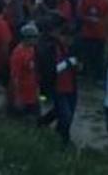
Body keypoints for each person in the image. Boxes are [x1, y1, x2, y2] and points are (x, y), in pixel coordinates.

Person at [37, 16, 79, 145]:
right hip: (58, 87)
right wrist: (67, 64)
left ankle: (44, 124)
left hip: (71, 86)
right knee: (65, 116)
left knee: (66, 114)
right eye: (67, 37)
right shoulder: (51, 48)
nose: (70, 40)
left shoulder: (71, 48)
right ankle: (63, 141)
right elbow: (49, 69)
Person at [78, 0, 108, 84]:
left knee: (99, 56)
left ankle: (98, 77)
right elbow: (80, 14)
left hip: (100, 33)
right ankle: (86, 75)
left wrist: (103, 23)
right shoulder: (85, 0)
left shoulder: (105, 1)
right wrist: (88, 19)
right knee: (87, 55)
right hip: (87, 33)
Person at [10, 22, 41, 121]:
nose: (37, 39)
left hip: (33, 93)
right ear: (27, 38)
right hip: (23, 96)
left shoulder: (33, 49)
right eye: (35, 37)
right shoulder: (18, 54)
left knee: (36, 119)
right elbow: (14, 78)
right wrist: (17, 98)